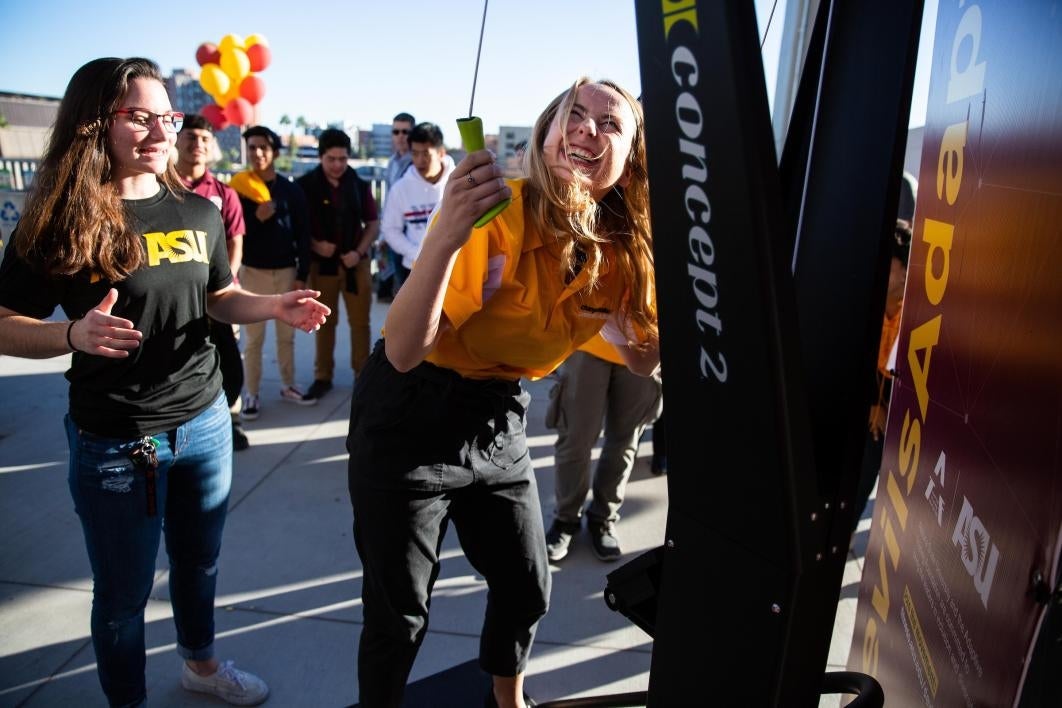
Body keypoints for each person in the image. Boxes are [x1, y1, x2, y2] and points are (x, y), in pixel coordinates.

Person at [0, 57, 330, 707]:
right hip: (116, 442)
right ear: (95, 123)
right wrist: (72, 336)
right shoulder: (59, 220)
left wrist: (272, 306)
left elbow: (218, 296)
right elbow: (5, 322)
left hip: (206, 422)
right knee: (122, 594)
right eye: (140, 117)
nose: (159, 132)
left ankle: (201, 667)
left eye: (167, 117)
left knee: (199, 563)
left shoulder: (198, 211)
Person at [346, 77, 658, 708]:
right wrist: (444, 234)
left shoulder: (621, 255)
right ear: (544, 134)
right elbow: (405, 350)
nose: (587, 127)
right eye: (573, 113)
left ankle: (507, 700)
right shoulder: (498, 215)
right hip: (409, 411)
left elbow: (642, 358)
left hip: (496, 413)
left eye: (611, 123)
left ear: (629, 167)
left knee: (526, 587)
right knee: (400, 612)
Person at [545, 334, 663, 562]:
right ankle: (566, 519)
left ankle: (603, 517)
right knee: (575, 439)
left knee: (625, 443)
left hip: (645, 344)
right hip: (589, 340)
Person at [174, 113, 251, 450]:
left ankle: (231, 421)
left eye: (205, 139)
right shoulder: (161, 188)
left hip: (218, 296)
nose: (198, 145)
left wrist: (224, 285)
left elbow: (235, 241)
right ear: (177, 141)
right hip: (176, 300)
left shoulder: (222, 193)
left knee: (228, 360)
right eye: (191, 137)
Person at [229, 125, 315, 417]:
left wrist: (303, 272)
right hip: (253, 272)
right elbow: (232, 234)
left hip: (287, 271)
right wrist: (255, 218)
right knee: (253, 339)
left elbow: (304, 234)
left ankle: (289, 385)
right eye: (251, 147)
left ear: (275, 152)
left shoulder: (291, 190)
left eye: (263, 147)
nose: (257, 153)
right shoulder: (238, 189)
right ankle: (251, 393)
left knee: (287, 335)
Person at [296, 128, 380, 400]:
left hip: (355, 263)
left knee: (360, 322)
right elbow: (297, 228)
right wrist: (314, 244)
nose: (337, 165)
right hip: (323, 266)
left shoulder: (358, 183)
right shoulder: (306, 185)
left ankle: (363, 374)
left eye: (343, 159)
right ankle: (323, 376)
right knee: (323, 322)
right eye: (331, 159)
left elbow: (373, 224)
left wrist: (359, 251)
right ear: (321, 157)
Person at [853, 219, 913, 527]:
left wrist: (886, 412)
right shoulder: (865, 303)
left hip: (901, 420)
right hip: (871, 403)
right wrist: (873, 405)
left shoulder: (915, 318)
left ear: (904, 270)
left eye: (887, 264)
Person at [380, 122, 454, 292]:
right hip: (413, 269)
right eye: (415, 154)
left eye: (426, 154)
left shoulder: (459, 183)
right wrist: (416, 252)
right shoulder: (400, 189)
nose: (420, 161)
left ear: (441, 153)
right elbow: (390, 229)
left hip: (455, 267)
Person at [375, 111, 416, 302]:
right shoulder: (392, 163)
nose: (400, 136)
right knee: (400, 286)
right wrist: (385, 234)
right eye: (396, 131)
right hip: (395, 232)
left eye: (405, 132)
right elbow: (389, 202)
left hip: (415, 232)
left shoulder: (419, 163)